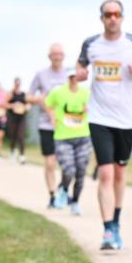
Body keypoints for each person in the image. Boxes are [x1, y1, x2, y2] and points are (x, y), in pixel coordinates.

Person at [77, 0, 132, 251]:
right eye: (108, 14)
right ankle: (108, 229)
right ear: (101, 18)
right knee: (106, 172)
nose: (113, 18)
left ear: (122, 17)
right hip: (99, 117)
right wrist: (80, 73)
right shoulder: (91, 44)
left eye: (117, 14)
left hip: (127, 119)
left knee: (120, 173)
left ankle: (117, 221)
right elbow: (80, 64)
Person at [45, 67, 92, 216]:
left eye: (75, 76)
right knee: (69, 170)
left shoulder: (86, 92)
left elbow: (90, 107)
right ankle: (64, 189)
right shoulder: (58, 91)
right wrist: (52, 116)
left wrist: (87, 110)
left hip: (83, 136)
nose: (73, 79)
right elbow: (48, 104)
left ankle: (76, 202)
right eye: (70, 76)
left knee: (81, 172)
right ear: (67, 77)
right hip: (63, 137)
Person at [29, 44, 69, 208]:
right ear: (49, 56)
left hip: (67, 125)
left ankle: (62, 189)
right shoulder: (41, 75)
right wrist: (40, 99)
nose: (57, 57)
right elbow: (29, 96)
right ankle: (52, 195)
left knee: (68, 165)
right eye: (54, 54)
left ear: (64, 56)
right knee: (50, 163)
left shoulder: (69, 74)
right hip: (46, 124)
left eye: (60, 54)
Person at [6, 77, 29, 164]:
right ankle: (12, 152)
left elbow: (28, 104)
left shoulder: (23, 94)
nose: (17, 85)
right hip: (12, 118)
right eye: (16, 83)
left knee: (21, 136)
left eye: (19, 83)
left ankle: (22, 155)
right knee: (13, 136)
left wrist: (26, 107)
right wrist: (13, 105)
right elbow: (5, 104)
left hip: (21, 118)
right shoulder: (10, 94)